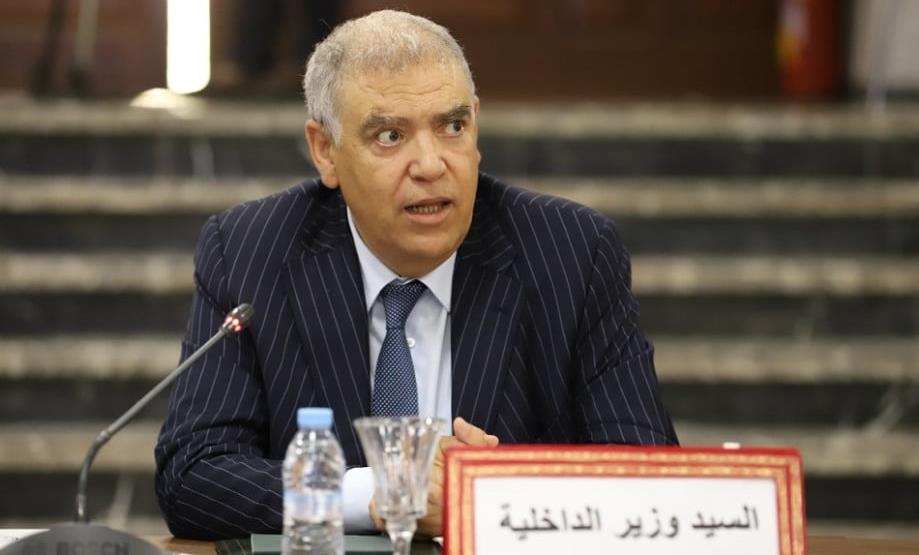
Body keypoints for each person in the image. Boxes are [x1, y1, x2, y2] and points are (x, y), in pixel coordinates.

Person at [154, 9, 678, 540]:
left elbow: (650, 476)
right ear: (325, 151)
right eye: (390, 135)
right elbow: (193, 475)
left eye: (453, 127)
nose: (430, 165)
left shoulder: (571, 253)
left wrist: (486, 492)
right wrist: (381, 493)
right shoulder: (251, 251)